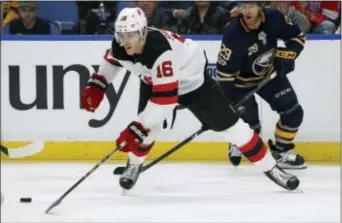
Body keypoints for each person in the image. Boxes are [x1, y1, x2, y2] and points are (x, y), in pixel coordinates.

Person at [80, 7, 300, 192]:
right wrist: (98, 83)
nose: (125, 41)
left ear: (143, 32)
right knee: (150, 129)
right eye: (121, 35)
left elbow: (166, 100)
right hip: (154, 81)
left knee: (234, 128)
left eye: (131, 35)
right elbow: (112, 60)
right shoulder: (120, 44)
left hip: (193, 83)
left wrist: (137, 127)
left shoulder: (161, 50)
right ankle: (134, 165)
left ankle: (272, 168)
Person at [215, 2, 307, 169]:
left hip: (269, 75)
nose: (247, 11)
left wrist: (286, 56)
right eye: (243, 6)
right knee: (252, 128)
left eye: (251, 5)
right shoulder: (233, 32)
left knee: (293, 113)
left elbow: (297, 37)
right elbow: (225, 74)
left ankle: (281, 151)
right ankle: (238, 140)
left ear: (260, 6)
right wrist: (230, 102)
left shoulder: (274, 17)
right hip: (240, 84)